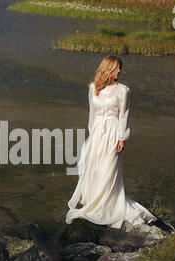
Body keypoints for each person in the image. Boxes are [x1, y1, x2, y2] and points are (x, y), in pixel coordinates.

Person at [66, 55, 157, 229]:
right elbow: (91, 114)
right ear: (108, 69)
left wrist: (122, 138)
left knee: (109, 169)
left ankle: (108, 207)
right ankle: (94, 203)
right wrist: (92, 135)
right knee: (94, 168)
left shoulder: (123, 90)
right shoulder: (93, 88)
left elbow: (123, 115)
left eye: (120, 68)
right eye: (117, 68)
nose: (120, 71)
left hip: (113, 133)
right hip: (97, 133)